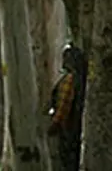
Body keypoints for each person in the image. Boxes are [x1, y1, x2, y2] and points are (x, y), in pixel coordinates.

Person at [47, 43, 87, 171]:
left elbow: (64, 105)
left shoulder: (69, 79)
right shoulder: (84, 79)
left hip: (70, 128)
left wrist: (55, 124)